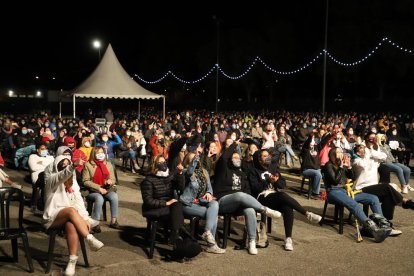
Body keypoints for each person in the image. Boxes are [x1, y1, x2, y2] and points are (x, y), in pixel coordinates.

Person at [213, 141, 282, 255]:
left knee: (250, 210)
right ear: (230, 160)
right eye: (234, 158)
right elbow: (223, 157)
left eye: (239, 158)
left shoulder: (241, 174)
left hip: (239, 203)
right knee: (239, 195)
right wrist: (234, 144)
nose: (237, 160)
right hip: (223, 201)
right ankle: (264, 209)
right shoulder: (223, 170)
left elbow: (247, 191)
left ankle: (251, 241)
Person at [246, 149, 322, 251]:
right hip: (261, 197)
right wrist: (267, 180)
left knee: (287, 207)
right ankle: (306, 213)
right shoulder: (253, 170)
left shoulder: (272, 168)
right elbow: (255, 188)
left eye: (268, 155)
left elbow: (283, 184)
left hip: (274, 195)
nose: (268, 157)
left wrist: (276, 181)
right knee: (282, 196)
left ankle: (288, 239)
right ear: (259, 159)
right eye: (264, 156)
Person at [43, 156, 103, 276]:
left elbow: (79, 202)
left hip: (70, 216)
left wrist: (85, 218)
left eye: (67, 164)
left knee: (71, 224)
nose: (65, 166)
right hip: (52, 218)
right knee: (70, 211)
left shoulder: (73, 183)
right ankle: (90, 239)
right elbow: (62, 175)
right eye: (62, 164)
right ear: (57, 166)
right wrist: (73, 165)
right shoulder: (51, 180)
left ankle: (71, 263)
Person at [323, 147, 392, 242]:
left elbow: (353, 177)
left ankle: (382, 224)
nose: (341, 153)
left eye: (342, 152)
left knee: (373, 198)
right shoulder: (328, 165)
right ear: (333, 154)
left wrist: (349, 167)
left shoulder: (341, 165)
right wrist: (341, 167)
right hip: (334, 191)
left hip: (346, 191)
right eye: (338, 152)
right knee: (354, 205)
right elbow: (335, 181)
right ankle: (372, 229)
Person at [352, 144, 414, 228]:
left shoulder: (373, 160)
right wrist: (368, 153)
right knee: (387, 187)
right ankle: (405, 202)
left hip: (374, 188)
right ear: (358, 153)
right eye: (361, 148)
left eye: (364, 147)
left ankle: (385, 222)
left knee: (389, 195)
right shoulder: (357, 161)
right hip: (360, 189)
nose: (364, 149)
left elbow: (383, 156)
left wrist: (371, 150)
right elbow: (364, 165)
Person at [180, 152, 225, 254]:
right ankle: (212, 245)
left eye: (197, 159)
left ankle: (207, 232)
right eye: (192, 160)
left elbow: (209, 187)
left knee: (214, 204)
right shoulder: (185, 172)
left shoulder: (204, 172)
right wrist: (194, 160)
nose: (196, 161)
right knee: (212, 214)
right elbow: (189, 172)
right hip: (188, 204)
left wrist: (209, 193)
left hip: (201, 202)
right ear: (188, 162)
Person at [140, 154, 186, 248]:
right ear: (154, 165)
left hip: (167, 206)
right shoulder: (148, 180)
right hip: (152, 208)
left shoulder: (167, 177)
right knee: (176, 211)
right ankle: (176, 238)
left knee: (177, 205)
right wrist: (166, 203)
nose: (163, 164)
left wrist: (180, 174)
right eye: (160, 163)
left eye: (164, 162)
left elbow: (181, 188)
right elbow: (148, 201)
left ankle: (175, 236)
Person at [82, 146, 119, 231]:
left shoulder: (108, 164)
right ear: (94, 154)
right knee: (99, 198)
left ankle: (114, 221)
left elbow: (113, 179)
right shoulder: (88, 165)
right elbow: (85, 181)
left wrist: (110, 181)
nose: (101, 154)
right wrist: (99, 188)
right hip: (92, 190)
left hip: (107, 189)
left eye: (102, 152)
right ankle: (95, 223)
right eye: (98, 153)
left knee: (114, 196)